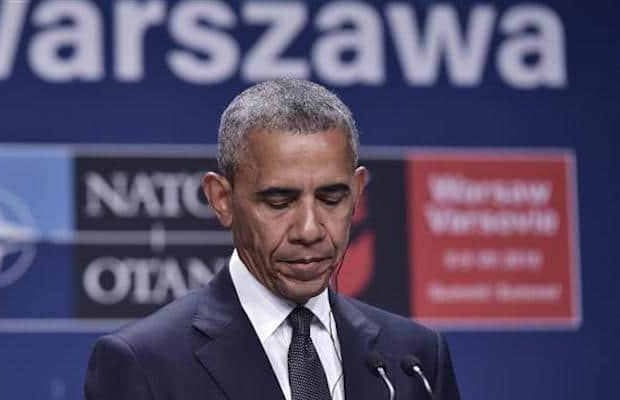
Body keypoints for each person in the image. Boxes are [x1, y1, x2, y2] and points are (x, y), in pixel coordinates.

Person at [85, 78, 460, 400]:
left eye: (333, 198)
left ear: (358, 191)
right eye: (279, 202)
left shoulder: (416, 360)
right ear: (222, 200)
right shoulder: (144, 363)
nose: (310, 230)